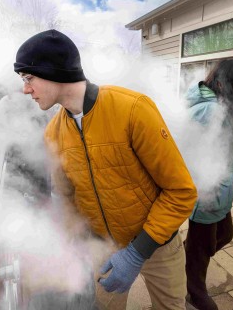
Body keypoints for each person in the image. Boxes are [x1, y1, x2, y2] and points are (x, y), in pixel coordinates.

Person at [14, 29, 197, 309]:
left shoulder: (133, 109)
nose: (25, 89)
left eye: (28, 78)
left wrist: (137, 253)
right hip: (103, 247)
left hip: (158, 244)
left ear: (54, 71)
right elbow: (65, 197)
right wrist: (73, 244)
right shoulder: (53, 132)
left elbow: (181, 192)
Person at [183, 59, 233, 310]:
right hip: (207, 191)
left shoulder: (221, 105)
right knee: (202, 249)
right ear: (225, 83)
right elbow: (186, 147)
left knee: (224, 235)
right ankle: (195, 292)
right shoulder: (209, 110)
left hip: (219, 188)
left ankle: (189, 254)